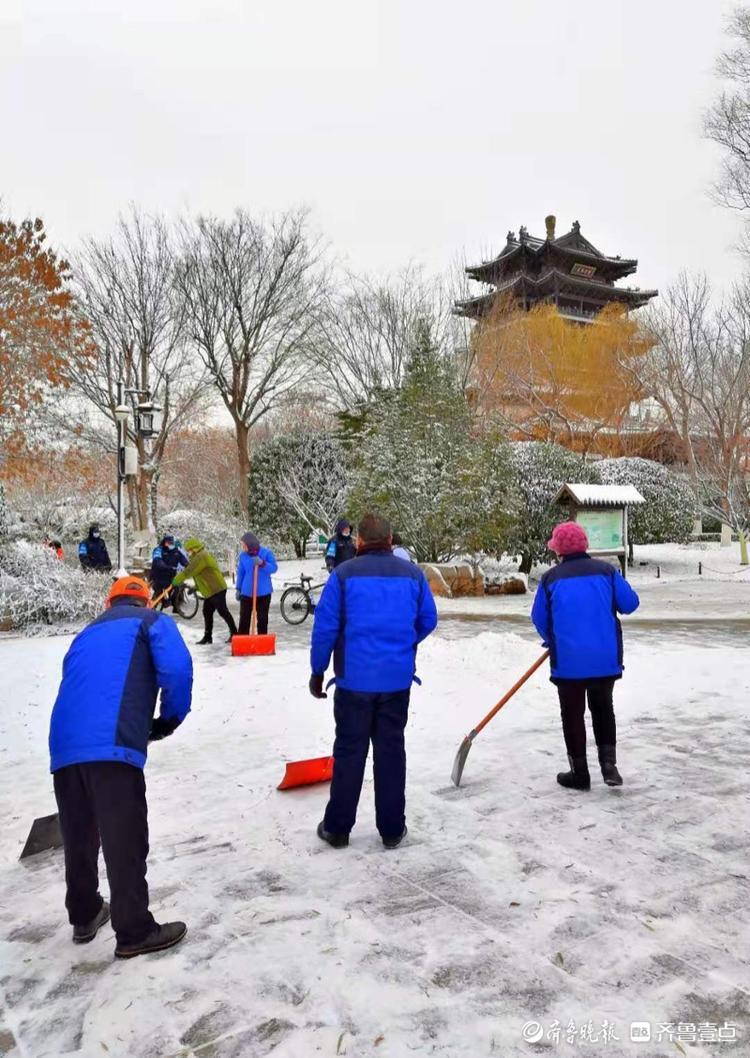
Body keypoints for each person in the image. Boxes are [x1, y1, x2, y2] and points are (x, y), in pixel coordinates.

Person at [48, 575, 193, 959]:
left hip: (64, 744)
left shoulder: (86, 633)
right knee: (123, 835)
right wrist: (168, 720)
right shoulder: (151, 622)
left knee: (79, 833)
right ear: (145, 601)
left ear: (108, 602)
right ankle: (133, 930)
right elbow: (177, 671)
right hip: (112, 744)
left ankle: (85, 913)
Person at [309, 512, 438, 849]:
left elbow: (325, 627)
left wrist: (318, 669)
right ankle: (392, 829)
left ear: (359, 541)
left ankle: (337, 827)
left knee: (350, 751)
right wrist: (404, 644)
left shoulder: (343, 574)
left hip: (353, 681)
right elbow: (428, 619)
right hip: (396, 682)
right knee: (391, 751)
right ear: (391, 539)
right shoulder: (412, 574)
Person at [530, 521, 640, 791]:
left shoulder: (551, 579)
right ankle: (609, 766)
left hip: (568, 662)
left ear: (559, 551)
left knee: (572, 714)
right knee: (603, 708)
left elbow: (539, 618)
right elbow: (630, 603)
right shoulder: (607, 572)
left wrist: (552, 638)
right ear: (585, 546)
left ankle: (579, 773)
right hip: (604, 658)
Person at [172, 537, 237, 644]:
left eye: (189, 549)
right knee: (207, 612)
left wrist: (176, 580)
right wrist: (196, 588)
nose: (188, 552)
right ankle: (208, 637)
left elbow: (189, 572)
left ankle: (234, 633)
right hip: (210, 590)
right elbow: (200, 575)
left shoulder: (201, 556)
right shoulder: (197, 557)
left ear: (194, 548)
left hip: (216, 588)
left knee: (223, 611)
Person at [236, 532, 278, 636]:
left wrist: (263, 563)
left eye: (244, 545)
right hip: (246, 592)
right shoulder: (243, 556)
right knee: (244, 619)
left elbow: (274, 568)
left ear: (250, 544)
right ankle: (243, 641)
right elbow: (241, 572)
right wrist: (238, 588)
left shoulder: (266, 553)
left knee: (262, 619)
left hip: (263, 592)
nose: (243, 547)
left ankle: (262, 640)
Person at [150, 533, 188, 608]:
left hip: (171, 574)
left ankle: (175, 606)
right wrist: (165, 566)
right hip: (159, 575)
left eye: (171, 543)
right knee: (159, 592)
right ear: (164, 542)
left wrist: (188, 566)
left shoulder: (176, 551)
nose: (170, 545)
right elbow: (157, 560)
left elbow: (183, 560)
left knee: (177, 588)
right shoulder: (159, 550)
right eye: (168, 543)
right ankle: (152, 607)